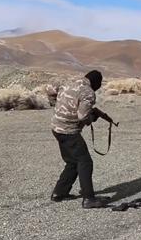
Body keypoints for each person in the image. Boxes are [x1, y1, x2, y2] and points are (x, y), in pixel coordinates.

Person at [46, 70, 112, 209]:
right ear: (96, 83)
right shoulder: (88, 92)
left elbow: (50, 88)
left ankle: (59, 193)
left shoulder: (69, 82)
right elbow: (82, 116)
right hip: (69, 131)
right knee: (85, 162)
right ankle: (88, 199)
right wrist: (92, 118)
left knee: (72, 162)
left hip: (56, 128)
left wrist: (56, 105)